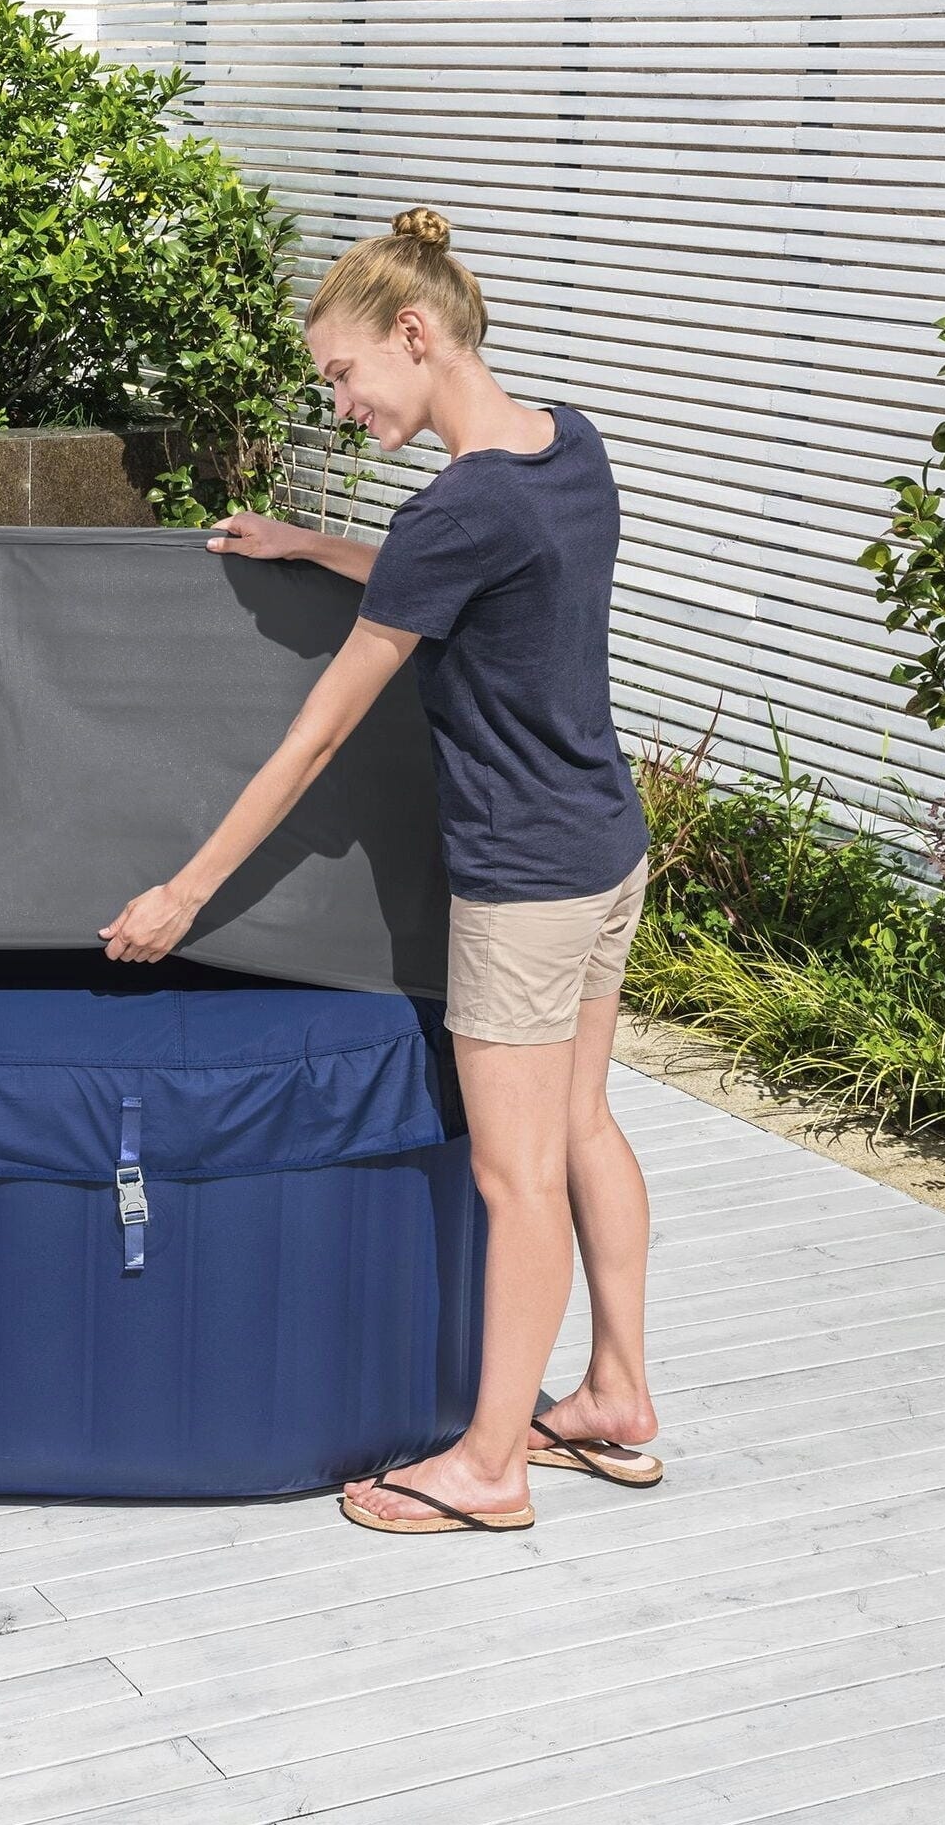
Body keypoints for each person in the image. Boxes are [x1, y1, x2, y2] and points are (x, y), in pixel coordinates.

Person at [100, 207, 663, 1537]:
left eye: (345, 376)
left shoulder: (452, 510)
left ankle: (489, 1466)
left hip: (522, 883)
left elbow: (318, 736)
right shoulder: (569, 446)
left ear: (415, 335)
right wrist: (315, 549)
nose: (342, 407)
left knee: (514, 1176)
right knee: (584, 1127)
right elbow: (481, 582)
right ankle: (619, 1396)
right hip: (606, 850)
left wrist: (184, 892)